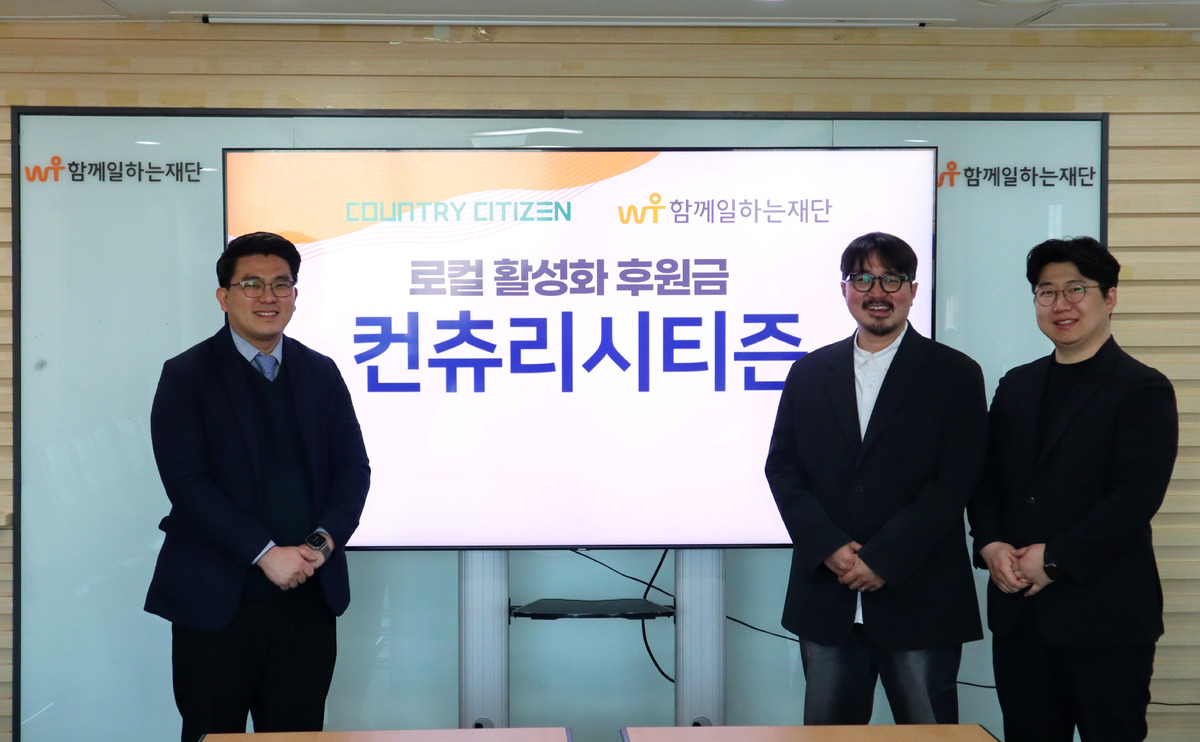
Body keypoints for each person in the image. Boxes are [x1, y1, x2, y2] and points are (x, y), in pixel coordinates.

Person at [144, 231, 372, 742]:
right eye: (251, 284)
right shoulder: (187, 375)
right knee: (213, 733)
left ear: (295, 294)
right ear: (224, 296)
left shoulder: (321, 372)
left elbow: (353, 469)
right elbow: (187, 483)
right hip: (217, 601)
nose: (268, 296)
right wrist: (266, 553)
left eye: (280, 284)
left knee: (298, 734)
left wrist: (319, 545)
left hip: (307, 597)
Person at [765, 231, 987, 725]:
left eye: (892, 279)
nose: (877, 292)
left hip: (921, 593)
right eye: (863, 279)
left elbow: (956, 479)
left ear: (912, 289)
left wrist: (884, 558)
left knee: (929, 735)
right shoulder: (809, 372)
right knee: (828, 738)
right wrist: (829, 546)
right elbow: (782, 468)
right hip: (829, 593)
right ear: (844, 289)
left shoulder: (954, 374)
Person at [968, 236, 1178, 742]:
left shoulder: (1143, 388)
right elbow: (986, 478)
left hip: (1105, 619)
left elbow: (1135, 498)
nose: (1060, 304)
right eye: (1047, 292)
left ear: (1110, 297)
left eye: (1076, 289)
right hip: (1021, 618)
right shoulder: (1016, 385)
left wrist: (1054, 558)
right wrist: (990, 543)